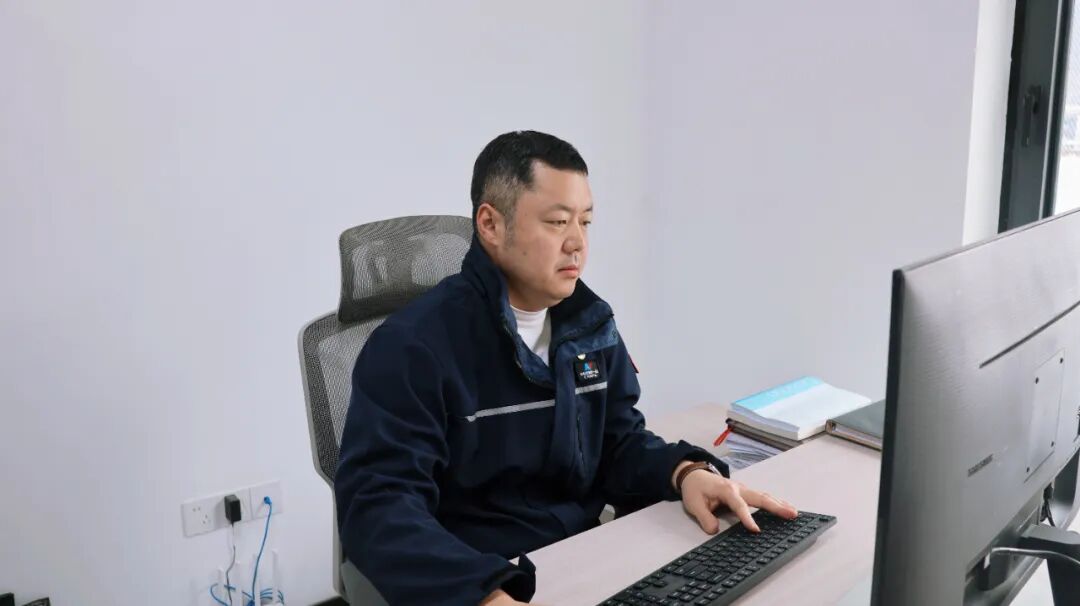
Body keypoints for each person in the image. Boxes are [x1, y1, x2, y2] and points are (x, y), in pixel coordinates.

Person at [335, 130, 798, 606]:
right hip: (481, 576)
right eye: (557, 222)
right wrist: (483, 595)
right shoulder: (414, 347)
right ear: (490, 225)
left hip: (580, 559)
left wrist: (686, 473)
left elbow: (617, 441)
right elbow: (379, 506)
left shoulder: (588, 325)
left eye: (586, 221)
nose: (577, 243)